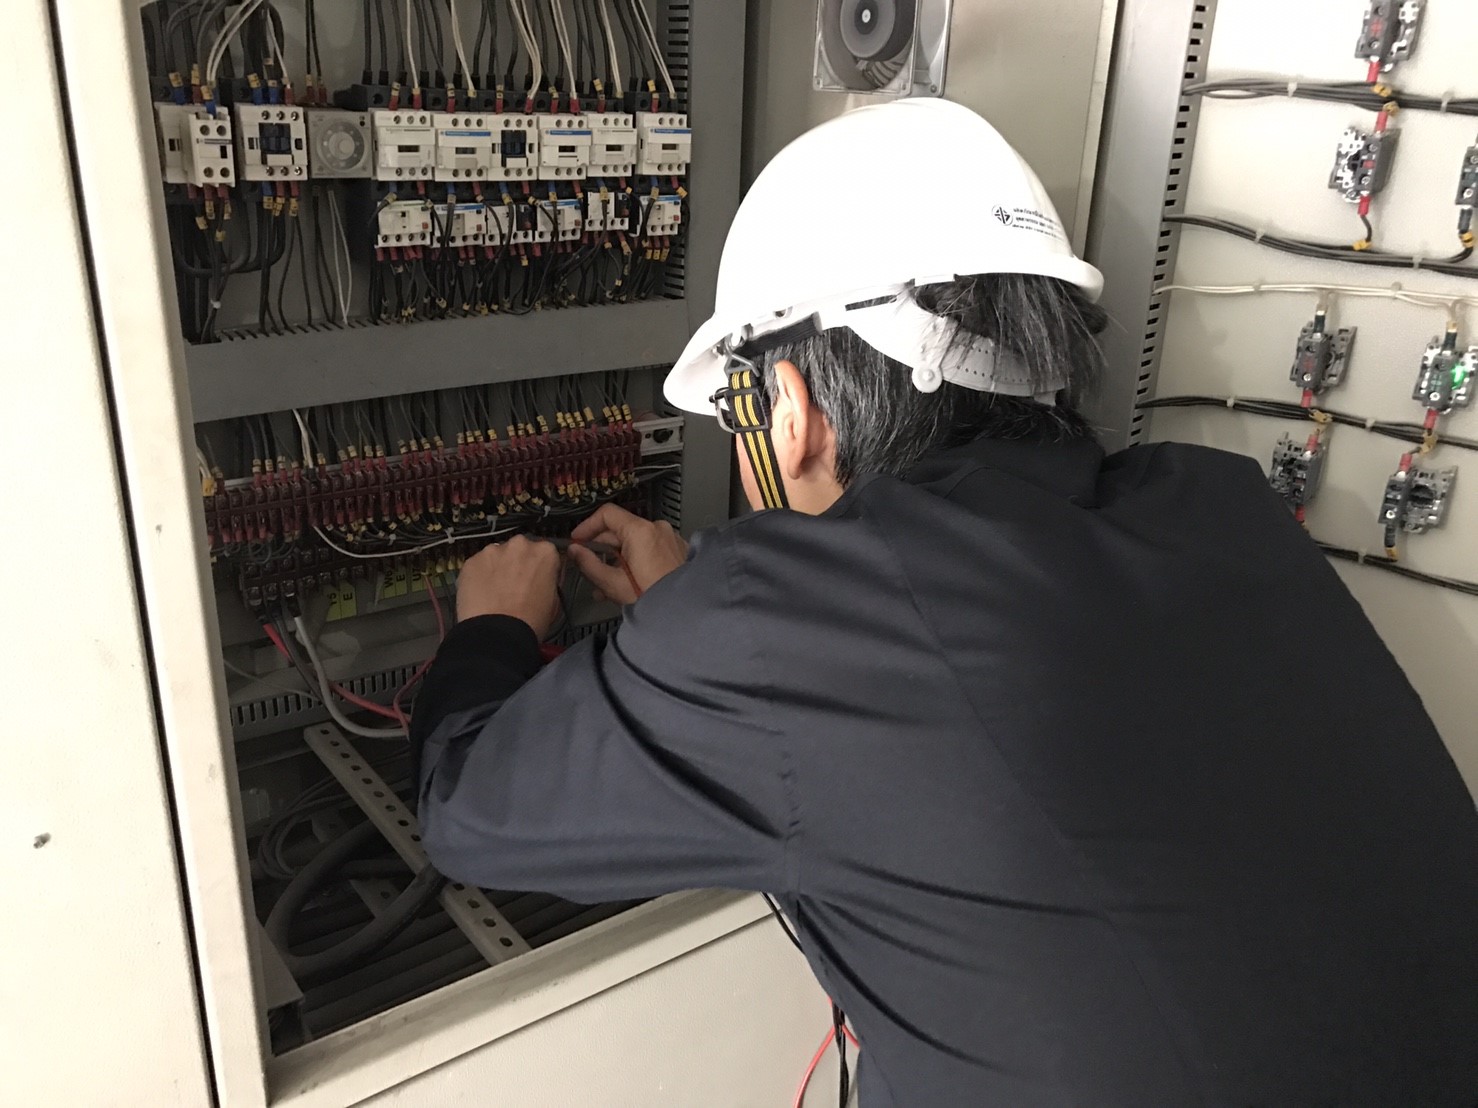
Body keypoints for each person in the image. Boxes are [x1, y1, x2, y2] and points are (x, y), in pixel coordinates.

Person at [411, 99, 1478, 1106]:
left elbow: (465, 802)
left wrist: (495, 626)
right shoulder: (1219, 505)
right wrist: (709, 618)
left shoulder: (777, 621)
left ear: (789, 412)